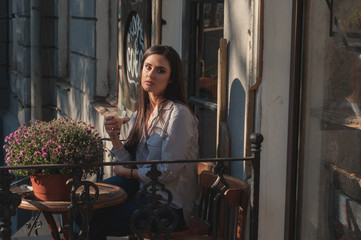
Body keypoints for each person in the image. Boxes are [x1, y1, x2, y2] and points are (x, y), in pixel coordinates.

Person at [89, 45, 199, 239]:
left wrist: (129, 173)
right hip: (144, 193)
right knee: (87, 204)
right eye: (147, 67)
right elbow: (131, 161)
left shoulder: (178, 114)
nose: (151, 74)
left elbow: (168, 171)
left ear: (171, 79)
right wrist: (114, 138)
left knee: (97, 219)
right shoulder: (141, 113)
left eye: (160, 70)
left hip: (170, 206)